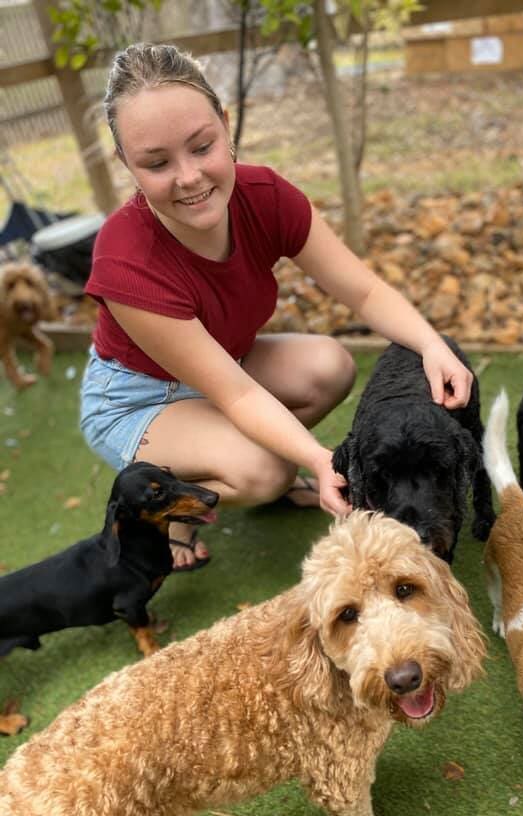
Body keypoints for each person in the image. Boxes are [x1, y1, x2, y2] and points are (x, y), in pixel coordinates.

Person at [80, 42, 474, 571]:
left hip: (225, 364)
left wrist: (430, 344)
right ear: (125, 162)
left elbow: (364, 292)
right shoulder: (126, 258)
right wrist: (312, 458)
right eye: (157, 162)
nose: (190, 177)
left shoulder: (265, 195)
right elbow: (238, 394)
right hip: (136, 399)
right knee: (266, 472)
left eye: (202, 146)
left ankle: (237, 461)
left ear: (226, 124)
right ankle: (166, 507)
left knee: (329, 366)